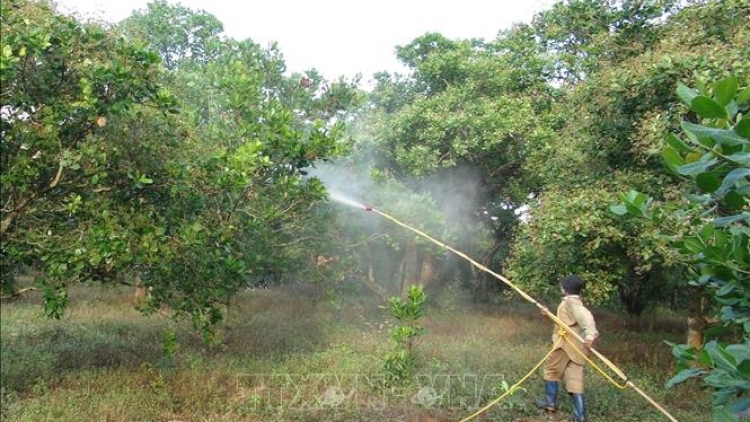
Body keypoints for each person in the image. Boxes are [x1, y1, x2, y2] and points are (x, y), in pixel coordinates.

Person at [535, 274, 599, 422]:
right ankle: (579, 416)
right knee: (574, 377)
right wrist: (548, 314)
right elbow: (565, 322)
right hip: (578, 347)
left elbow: (587, 318)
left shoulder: (571, 303)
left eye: (562, 286)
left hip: (565, 345)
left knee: (551, 370)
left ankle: (550, 403)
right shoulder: (574, 302)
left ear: (565, 289)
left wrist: (590, 336)